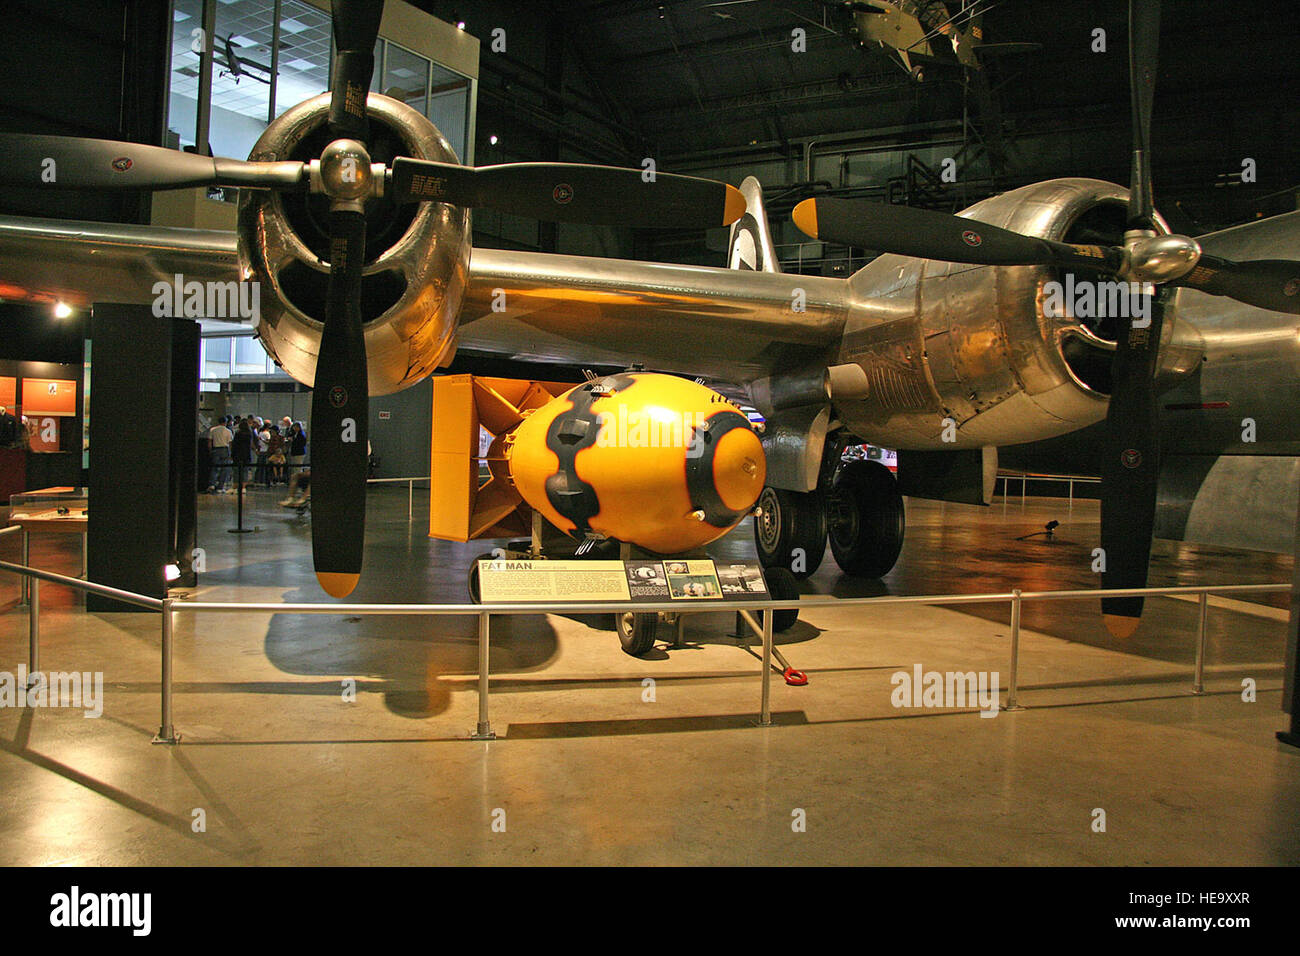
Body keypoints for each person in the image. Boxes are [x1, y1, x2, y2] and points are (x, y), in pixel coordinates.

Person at [207, 416, 233, 492]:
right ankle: (220, 486)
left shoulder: (213, 430)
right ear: (226, 422)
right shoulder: (228, 431)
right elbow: (230, 443)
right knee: (224, 469)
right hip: (225, 449)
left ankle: (212, 484)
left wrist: (210, 450)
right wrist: (231, 453)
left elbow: (209, 441)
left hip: (216, 449)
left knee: (214, 467)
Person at [231, 418, 255, 492]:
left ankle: (235, 487)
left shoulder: (238, 434)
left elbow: (234, 445)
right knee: (245, 471)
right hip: (247, 454)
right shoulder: (249, 434)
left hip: (238, 454)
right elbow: (251, 445)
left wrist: (232, 454)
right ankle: (243, 487)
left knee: (236, 471)